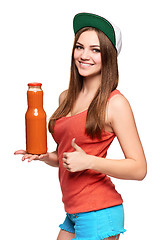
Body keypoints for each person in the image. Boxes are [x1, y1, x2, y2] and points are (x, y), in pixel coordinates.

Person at [15, 13, 147, 240]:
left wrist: (90, 162)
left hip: (100, 210)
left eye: (95, 50)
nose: (84, 55)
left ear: (109, 56)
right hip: (74, 210)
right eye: (79, 47)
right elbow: (69, 156)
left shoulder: (115, 103)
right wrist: (46, 157)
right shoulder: (66, 98)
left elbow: (139, 169)